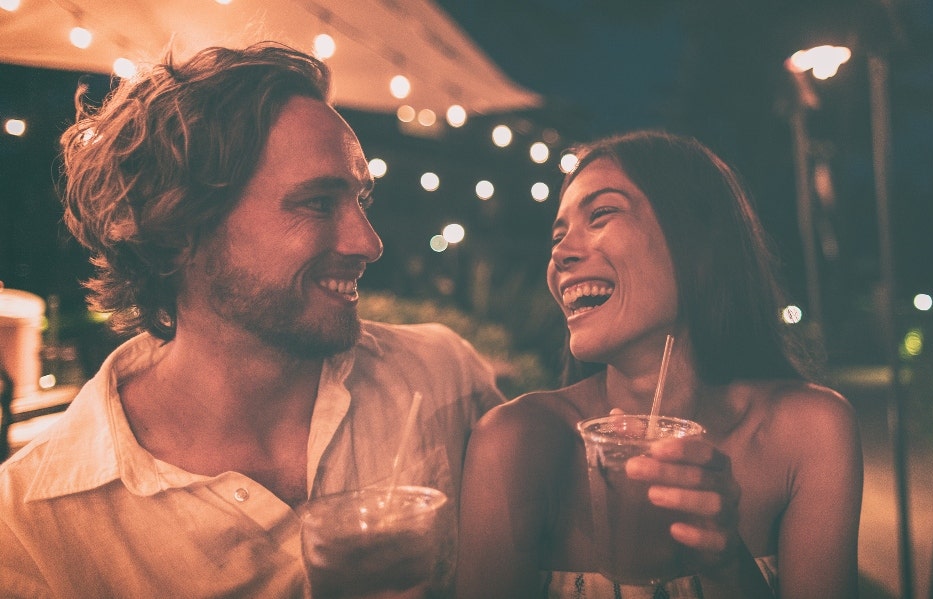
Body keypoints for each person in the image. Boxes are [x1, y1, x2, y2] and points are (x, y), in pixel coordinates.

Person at [0, 42, 505, 597]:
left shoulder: (441, 377)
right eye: (317, 203)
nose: (369, 242)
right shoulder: (31, 525)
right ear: (178, 232)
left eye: (361, 200)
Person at [457, 130, 863, 598]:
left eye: (601, 214)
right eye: (558, 234)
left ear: (700, 244)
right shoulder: (515, 441)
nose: (560, 253)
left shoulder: (811, 432)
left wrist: (727, 565)